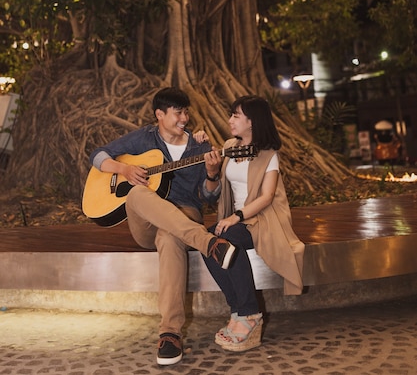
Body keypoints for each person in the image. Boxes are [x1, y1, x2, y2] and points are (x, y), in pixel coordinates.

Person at [89, 87, 236, 366]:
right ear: (160, 114)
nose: (185, 117)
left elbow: (208, 197)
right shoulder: (144, 138)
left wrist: (213, 175)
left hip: (184, 215)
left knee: (170, 237)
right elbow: (97, 155)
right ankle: (207, 243)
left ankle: (169, 333)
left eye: (186, 111)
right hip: (145, 221)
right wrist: (124, 170)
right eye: (178, 112)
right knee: (136, 193)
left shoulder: (200, 147)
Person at [203, 95, 305, 352]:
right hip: (233, 219)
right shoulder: (228, 146)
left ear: (252, 121)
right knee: (206, 240)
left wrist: (237, 216)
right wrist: (211, 171)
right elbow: (213, 190)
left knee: (230, 241)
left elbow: (267, 196)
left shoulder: (268, 154)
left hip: (261, 220)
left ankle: (248, 313)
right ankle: (238, 311)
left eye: (236, 115)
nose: (230, 120)